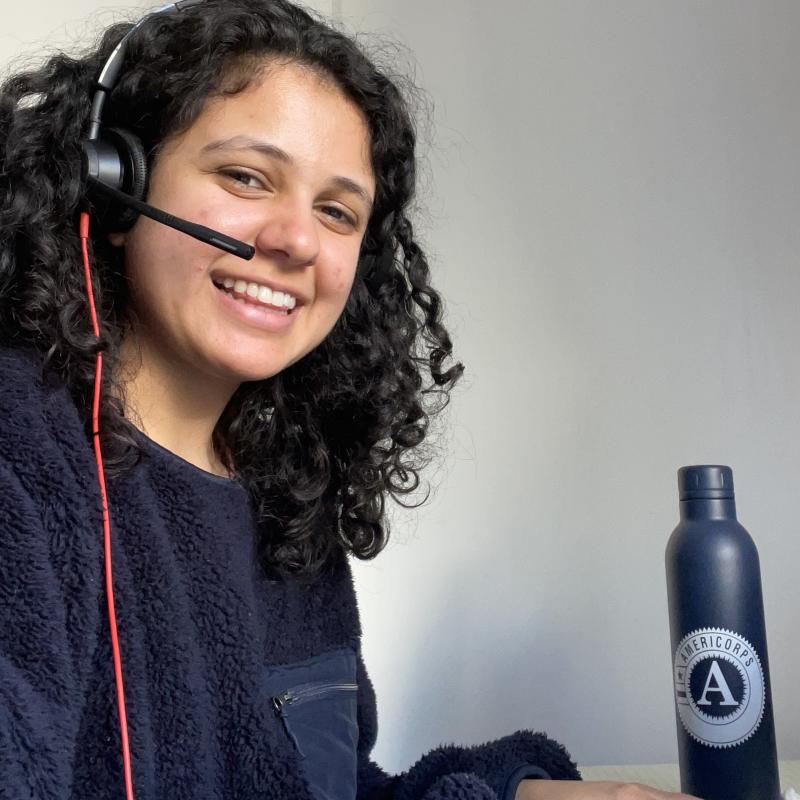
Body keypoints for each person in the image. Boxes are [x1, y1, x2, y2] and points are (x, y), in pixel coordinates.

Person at [0, 1, 700, 799]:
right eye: (246, 176)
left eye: (336, 211)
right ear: (115, 188)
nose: (298, 241)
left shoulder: (281, 494)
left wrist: (518, 795)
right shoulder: (20, 457)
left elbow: (316, 787)